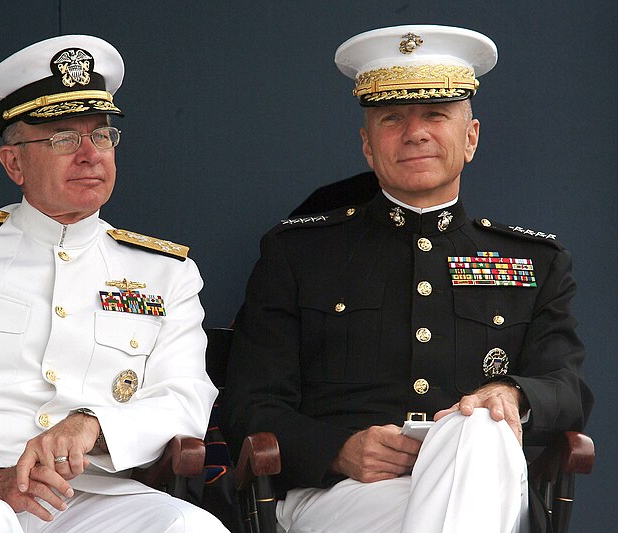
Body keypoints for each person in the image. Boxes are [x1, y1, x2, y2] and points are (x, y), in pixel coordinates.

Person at [224, 25, 592, 533]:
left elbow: (567, 389)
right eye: (393, 117)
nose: (414, 132)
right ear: (368, 146)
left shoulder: (536, 261)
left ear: (471, 138)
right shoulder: (298, 253)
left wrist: (512, 395)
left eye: (435, 115)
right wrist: (337, 452)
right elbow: (249, 403)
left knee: (483, 424)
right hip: (345, 493)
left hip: (485, 485)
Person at [0, 35, 228, 532]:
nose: (89, 154)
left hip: (92, 492)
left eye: (101, 135)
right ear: (13, 162)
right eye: (62, 138)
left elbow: (185, 397)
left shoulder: (167, 272)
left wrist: (95, 425)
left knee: (192, 528)